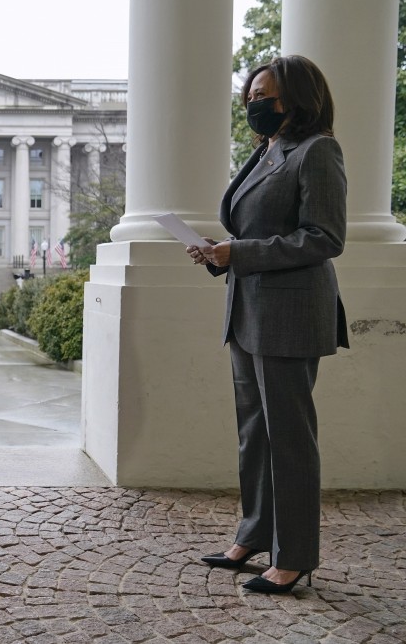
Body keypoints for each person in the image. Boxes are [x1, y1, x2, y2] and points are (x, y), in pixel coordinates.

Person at [188, 55, 348, 594]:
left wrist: (241, 253)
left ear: (299, 99)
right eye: (250, 95)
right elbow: (251, 230)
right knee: (253, 434)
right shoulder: (265, 151)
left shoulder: (317, 150)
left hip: (290, 315)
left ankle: (296, 555)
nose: (254, 104)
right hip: (247, 312)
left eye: (266, 96)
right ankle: (255, 533)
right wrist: (219, 255)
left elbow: (324, 238)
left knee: (289, 440)